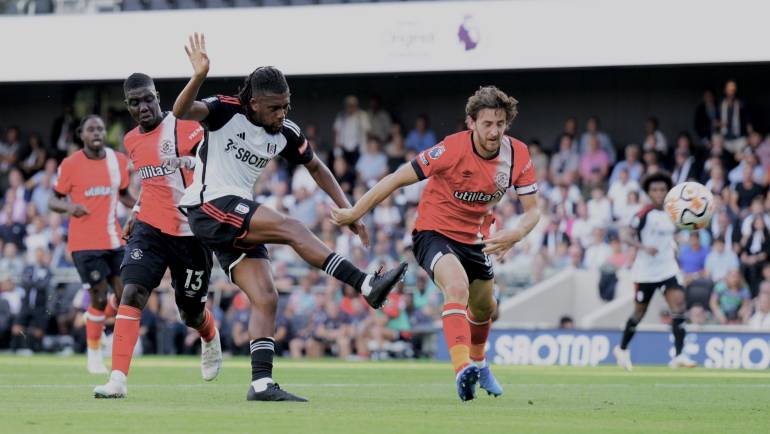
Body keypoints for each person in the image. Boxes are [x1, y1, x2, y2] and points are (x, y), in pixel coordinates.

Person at [172, 33, 407, 402]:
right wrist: (199, 75)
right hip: (210, 206)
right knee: (292, 227)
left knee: (267, 296)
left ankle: (261, 384)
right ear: (253, 103)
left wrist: (350, 210)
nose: (282, 114)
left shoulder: (286, 133)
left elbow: (317, 168)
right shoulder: (224, 110)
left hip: (235, 215)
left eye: (286, 105)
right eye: (274, 108)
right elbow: (181, 112)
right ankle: (365, 285)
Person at [332, 85, 540, 401]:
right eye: (487, 124)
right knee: (457, 288)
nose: (494, 131)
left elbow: (533, 211)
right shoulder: (451, 149)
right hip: (433, 232)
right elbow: (395, 178)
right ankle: (461, 368)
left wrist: (517, 233)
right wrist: (354, 212)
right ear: (472, 122)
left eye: (500, 124)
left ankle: (480, 364)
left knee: (485, 308)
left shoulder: (518, 155)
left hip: (476, 239)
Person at [93, 73, 222, 399]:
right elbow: (152, 182)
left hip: (192, 233)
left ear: (157, 96)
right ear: (128, 106)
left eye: (147, 98)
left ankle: (209, 334)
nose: (143, 106)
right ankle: (118, 379)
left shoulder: (185, 125)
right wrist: (136, 213)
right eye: (135, 102)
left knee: (188, 312)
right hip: (150, 228)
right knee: (132, 292)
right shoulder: (131, 141)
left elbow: (212, 163)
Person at [49, 115, 136, 373]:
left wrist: (142, 205)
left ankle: (94, 319)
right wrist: (70, 207)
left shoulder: (117, 161)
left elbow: (123, 195)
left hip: (114, 239)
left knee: (125, 296)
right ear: (81, 134)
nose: (97, 132)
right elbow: (53, 201)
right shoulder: (70, 164)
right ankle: (95, 352)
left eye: (100, 128)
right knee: (98, 295)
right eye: (91, 129)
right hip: (84, 244)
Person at [613, 171, 697, 371]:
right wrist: (643, 248)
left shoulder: (673, 212)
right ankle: (622, 348)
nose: (659, 193)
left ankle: (678, 355)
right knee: (639, 314)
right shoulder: (644, 214)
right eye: (654, 190)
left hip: (668, 268)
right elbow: (625, 235)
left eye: (662, 189)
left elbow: (681, 229)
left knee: (679, 305)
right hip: (645, 272)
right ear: (648, 193)